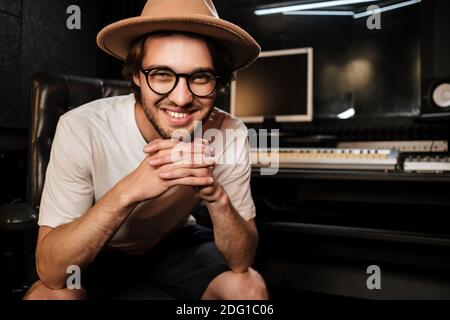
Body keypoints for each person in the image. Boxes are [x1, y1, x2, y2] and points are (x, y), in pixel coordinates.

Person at [24, 0, 268, 300]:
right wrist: (129, 191)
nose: (181, 98)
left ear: (218, 82)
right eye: (162, 74)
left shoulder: (229, 132)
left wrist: (216, 196)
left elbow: (241, 260)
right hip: (97, 248)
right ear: (137, 76)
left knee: (248, 290)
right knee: (49, 297)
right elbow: (50, 270)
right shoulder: (81, 127)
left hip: (173, 245)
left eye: (200, 77)